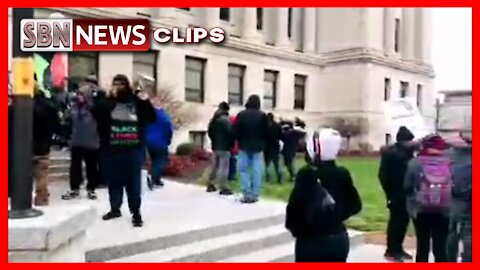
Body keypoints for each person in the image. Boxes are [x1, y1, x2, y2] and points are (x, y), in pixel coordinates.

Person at [286, 128, 362, 262]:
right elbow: (355, 205)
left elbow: (294, 211)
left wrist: (299, 230)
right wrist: (336, 214)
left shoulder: (306, 175)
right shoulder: (342, 173)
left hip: (312, 241)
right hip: (338, 238)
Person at [92, 74, 156, 227]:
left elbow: (151, 117)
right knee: (113, 182)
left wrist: (144, 98)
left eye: (121, 85)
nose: (118, 87)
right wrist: (107, 97)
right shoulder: (108, 104)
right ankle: (115, 209)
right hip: (111, 151)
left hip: (132, 152)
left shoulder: (136, 102)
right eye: (115, 84)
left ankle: (136, 213)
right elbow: (95, 112)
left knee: (133, 184)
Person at [404, 134, 451, 263]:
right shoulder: (450, 162)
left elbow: (407, 185)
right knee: (441, 247)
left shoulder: (415, 162)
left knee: (422, 245)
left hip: (421, 209)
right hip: (444, 209)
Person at [378, 126, 416, 262]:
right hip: (396, 194)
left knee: (403, 222)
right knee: (396, 223)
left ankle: (398, 248)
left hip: (405, 193)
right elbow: (384, 176)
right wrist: (390, 194)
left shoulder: (406, 153)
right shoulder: (393, 155)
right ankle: (391, 250)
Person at [61, 79, 101, 200]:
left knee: (91, 167)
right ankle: (75, 188)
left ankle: (91, 189)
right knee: (75, 167)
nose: (79, 97)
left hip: (92, 142)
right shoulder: (73, 108)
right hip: (76, 141)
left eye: (82, 94)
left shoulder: (94, 110)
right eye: (78, 94)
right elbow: (66, 122)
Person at [233, 95, 269, 203]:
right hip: (258, 146)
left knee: (243, 170)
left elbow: (235, 129)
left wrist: (239, 139)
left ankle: (246, 193)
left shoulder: (241, 115)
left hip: (244, 145)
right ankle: (255, 194)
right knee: (257, 170)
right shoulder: (263, 116)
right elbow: (266, 131)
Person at [32, 82, 60, 206]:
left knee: (23, 174)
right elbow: (56, 123)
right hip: (44, 144)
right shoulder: (49, 105)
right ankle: (42, 198)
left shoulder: (23, 105)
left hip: (25, 144)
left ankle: (23, 199)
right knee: (42, 175)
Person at [446, 133, 472, 262]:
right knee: (469, 233)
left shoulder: (450, 154)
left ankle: (449, 259)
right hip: (469, 201)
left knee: (452, 232)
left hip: (453, 200)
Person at [144, 100, 173, 188]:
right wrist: (168, 140)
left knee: (155, 160)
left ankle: (156, 180)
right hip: (160, 142)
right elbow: (169, 129)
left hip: (148, 142)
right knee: (162, 161)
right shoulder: (163, 116)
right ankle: (153, 178)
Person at [207, 102, 234, 195]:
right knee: (224, 167)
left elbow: (210, 132)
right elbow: (230, 133)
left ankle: (211, 184)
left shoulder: (214, 119)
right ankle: (223, 187)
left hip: (215, 146)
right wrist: (231, 143)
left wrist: (214, 141)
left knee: (215, 166)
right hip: (224, 147)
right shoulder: (225, 120)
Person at [264, 113, 283, 183]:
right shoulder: (277, 125)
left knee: (268, 164)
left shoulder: (265, 126)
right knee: (277, 163)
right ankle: (280, 178)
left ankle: (269, 179)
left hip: (267, 147)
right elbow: (281, 135)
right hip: (275, 145)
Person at [228, 114, 239, 182]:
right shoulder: (235, 128)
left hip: (229, 148)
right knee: (233, 162)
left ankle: (230, 175)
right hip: (233, 148)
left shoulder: (228, 127)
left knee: (230, 162)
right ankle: (232, 176)